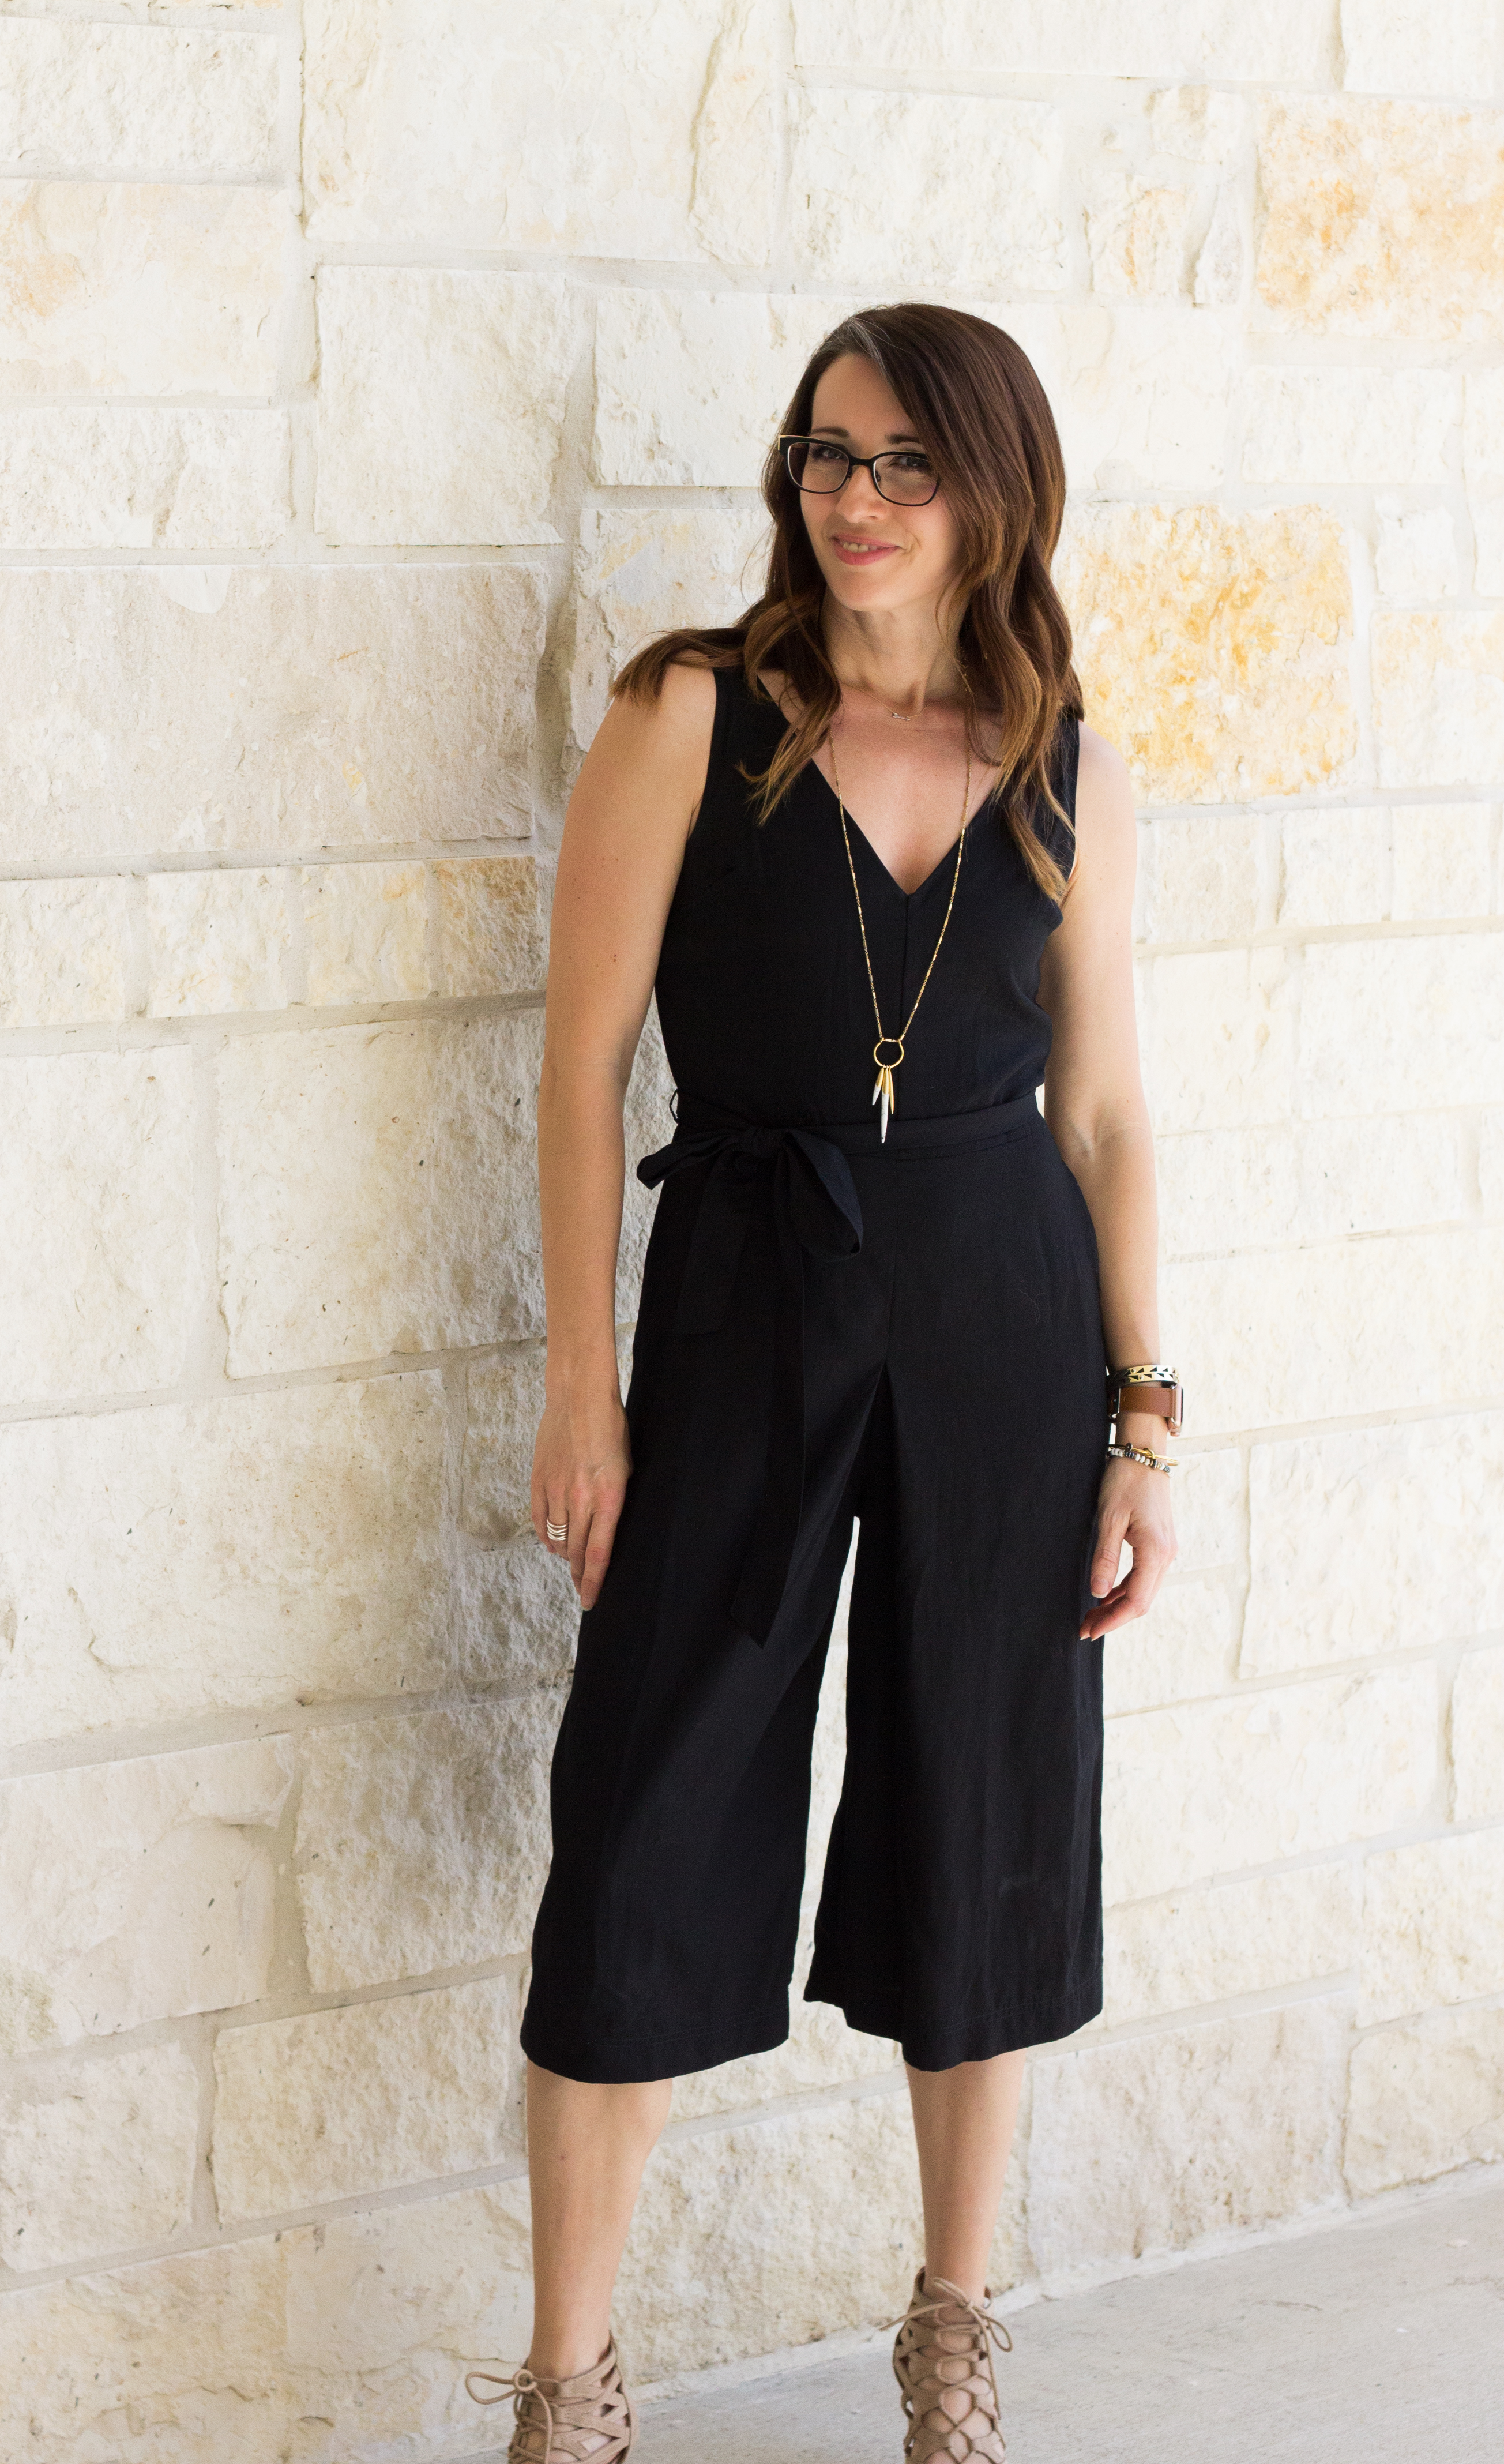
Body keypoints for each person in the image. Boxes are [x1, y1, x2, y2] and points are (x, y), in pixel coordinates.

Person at [465, 302, 1179, 2464]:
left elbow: (1111, 1118)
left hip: (1002, 1320)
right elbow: (585, 1071)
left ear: (992, 491)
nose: (850, 503)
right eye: (825, 456)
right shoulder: (692, 716)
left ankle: (952, 2331)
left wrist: (1146, 1418)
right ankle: (571, 2376)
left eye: (901, 465)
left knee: (991, 1812)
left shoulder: (1065, 760)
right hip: (750, 1289)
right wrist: (584, 1384)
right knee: (650, 1813)